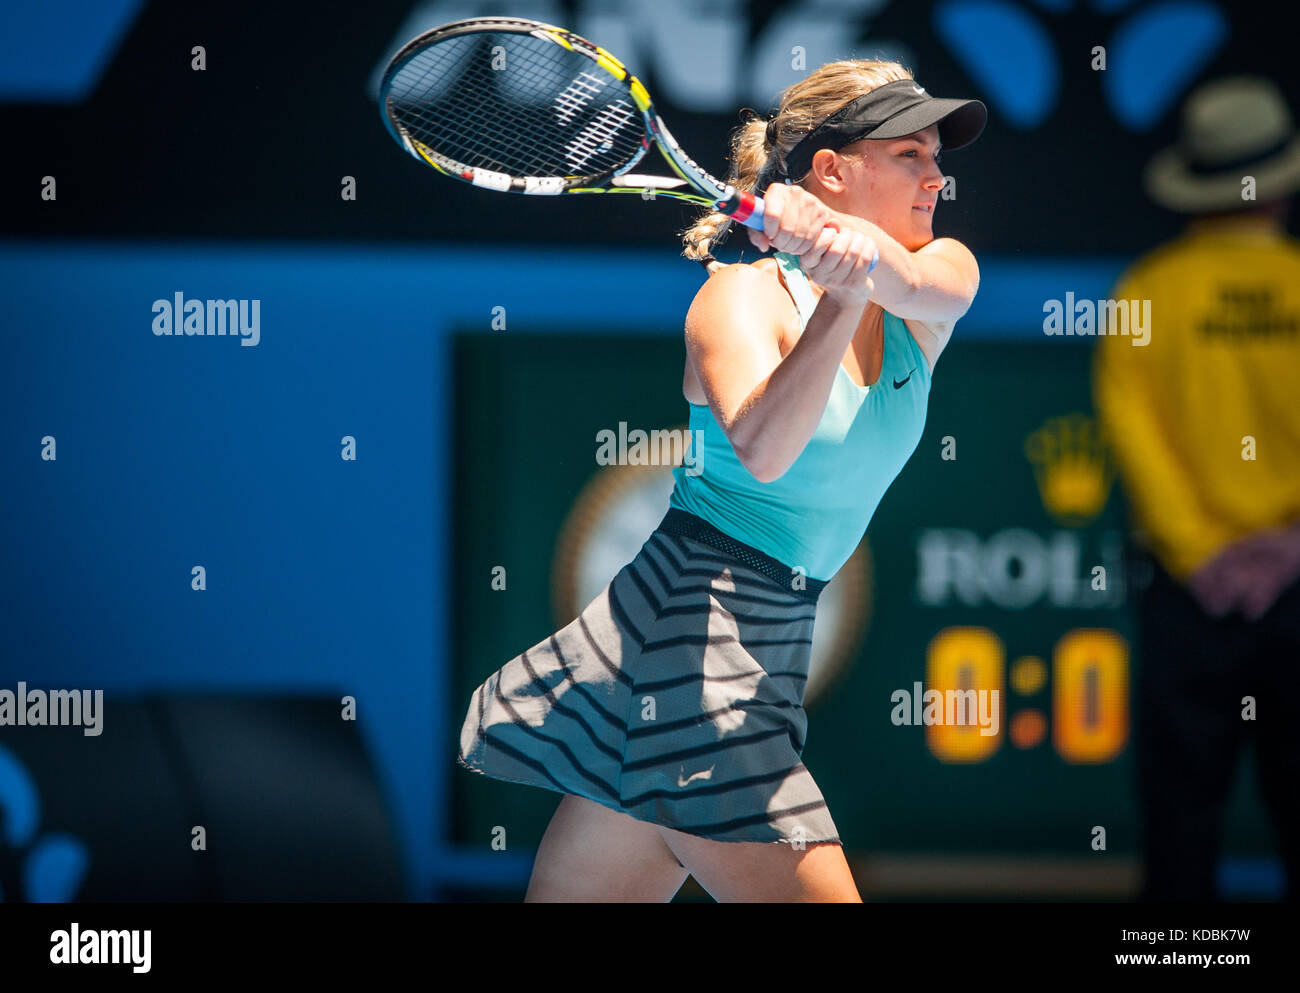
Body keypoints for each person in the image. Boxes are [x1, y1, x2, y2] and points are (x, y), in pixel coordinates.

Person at [458, 59, 986, 902]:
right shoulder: (735, 302)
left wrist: (851, 263)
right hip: (694, 639)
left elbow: (929, 281)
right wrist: (840, 297)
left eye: (937, 155)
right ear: (832, 169)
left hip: (752, 644)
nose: (937, 175)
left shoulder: (937, 277)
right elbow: (765, 452)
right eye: (910, 155)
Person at [1092, 75, 1300, 902]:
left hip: (1189, 592)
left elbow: (1134, 438)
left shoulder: (1147, 291)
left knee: (1181, 822)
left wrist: (1205, 553)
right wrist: (1288, 547)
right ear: (1280, 182)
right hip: (1294, 585)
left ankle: (1179, 959)